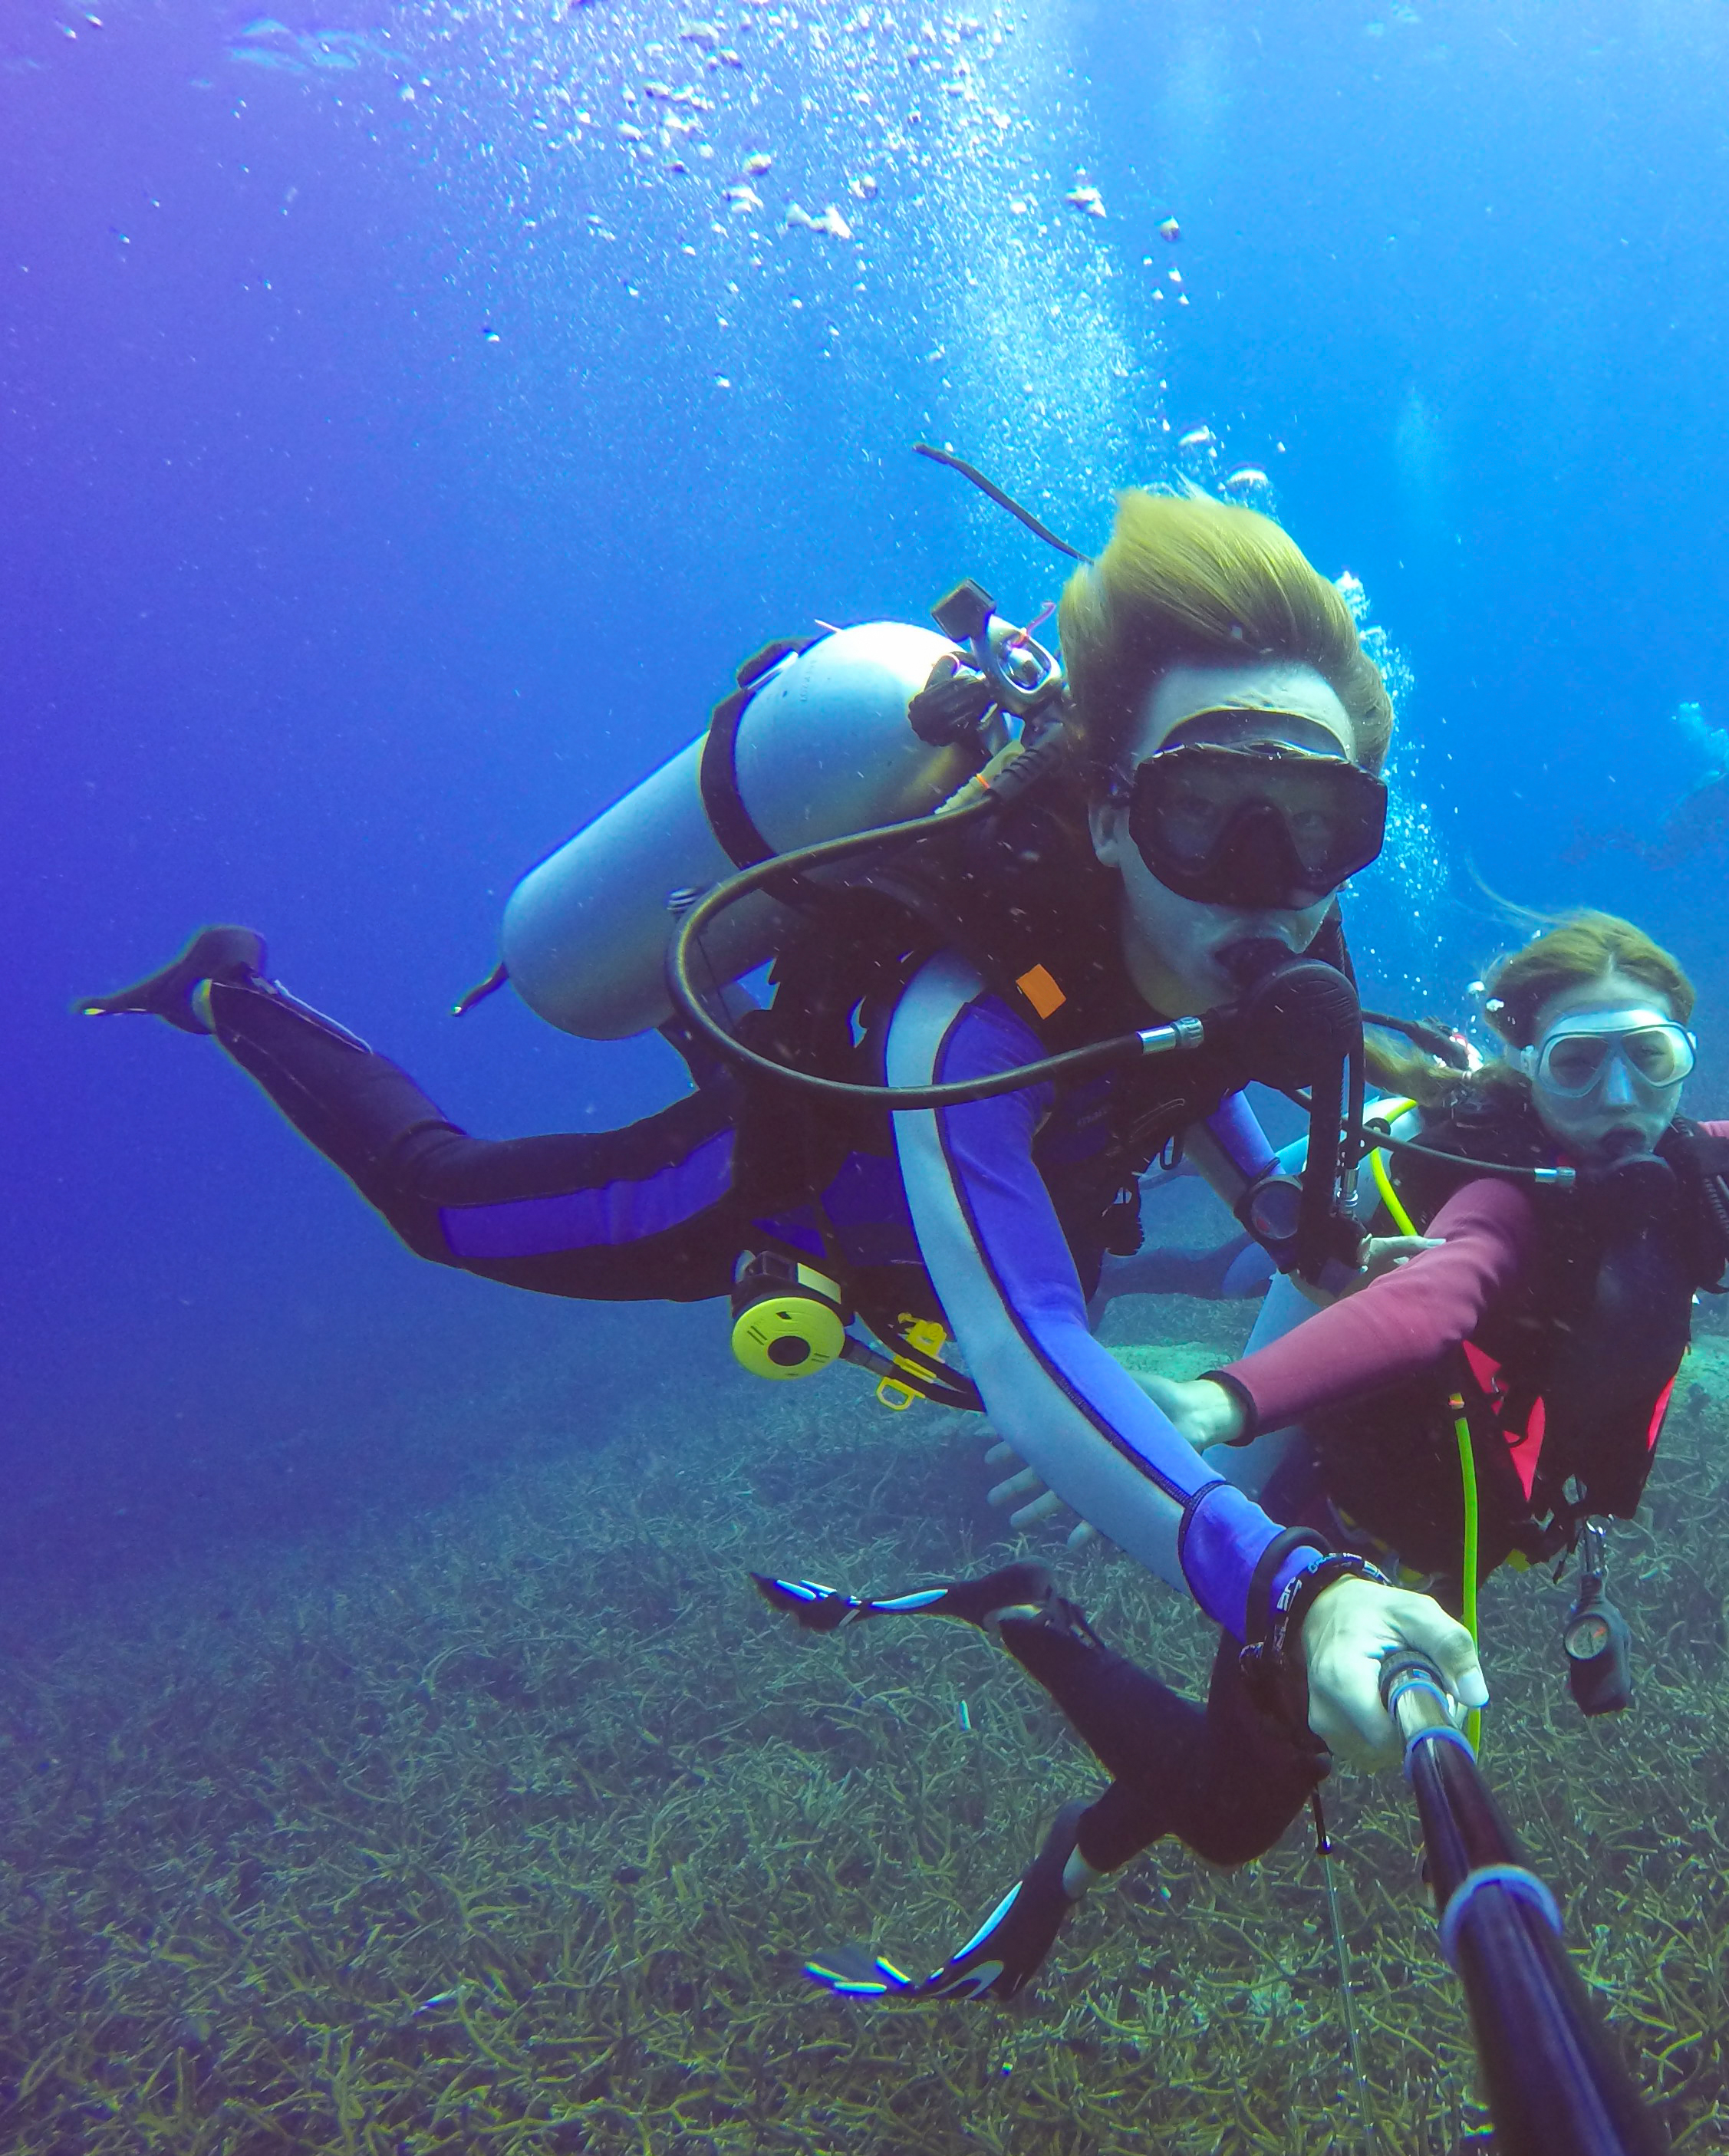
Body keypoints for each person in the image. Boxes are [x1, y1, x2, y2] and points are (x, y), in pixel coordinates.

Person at [87, 490, 1487, 1996]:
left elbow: (1188, 1059)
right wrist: (1291, 1587)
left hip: (1030, 1188)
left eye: (1321, 823)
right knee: (443, 1204)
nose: (1271, 873)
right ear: (1104, 813)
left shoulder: (1269, 933)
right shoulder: (964, 1018)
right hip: (799, 1196)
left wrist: (1282, 1207)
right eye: (1207, 811)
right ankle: (235, 994)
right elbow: (1027, 1358)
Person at [785, 906, 1729, 1994]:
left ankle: (1071, 1845)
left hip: (1461, 1538)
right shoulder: (1496, 1193)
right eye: (1578, 1067)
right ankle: (1025, 1621)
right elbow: (1433, 1301)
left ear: (1685, 1060)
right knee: (1241, 1812)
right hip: (1350, 1538)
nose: (1618, 1103)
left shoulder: (1700, 1176)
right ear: (1520, 1066)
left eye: (1650, 1061)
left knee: (1264, 1763)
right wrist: (1232, 1406)